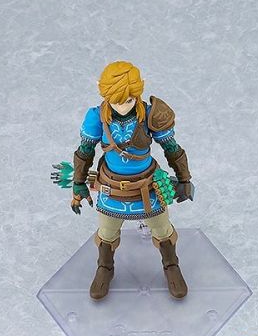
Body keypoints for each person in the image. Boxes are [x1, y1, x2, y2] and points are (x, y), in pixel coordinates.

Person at [68, 61, 194, 299]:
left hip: (148, 186)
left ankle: (171, 265)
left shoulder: (150, 114)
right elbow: (85, 151)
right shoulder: (97, 117)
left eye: (128, 100)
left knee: (163, 230)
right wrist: (78, 182)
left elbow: (171, 148)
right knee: (106, 233)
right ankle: (105, 267)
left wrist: (184, 178)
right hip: (112, 187)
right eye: (116, 101)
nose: (123, 106)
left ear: (138, 92)